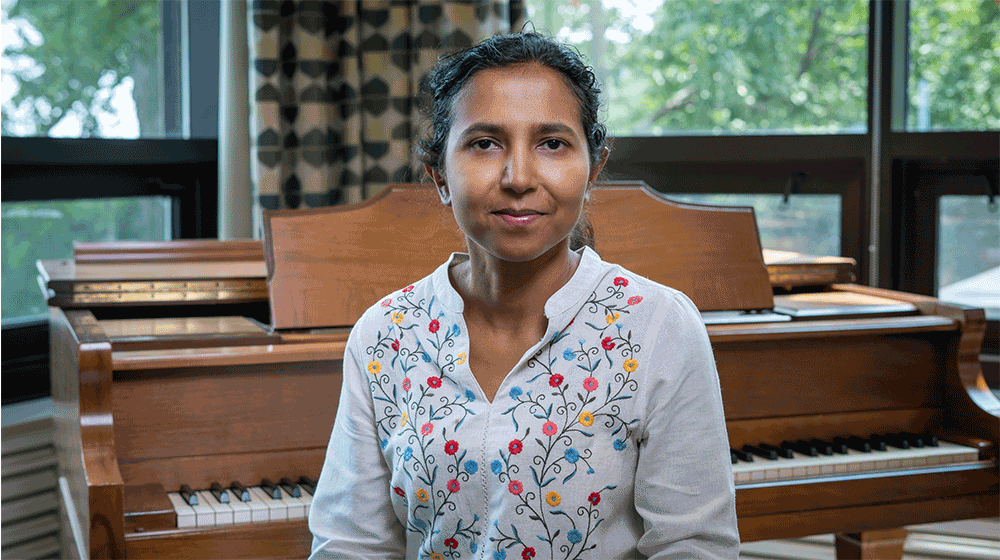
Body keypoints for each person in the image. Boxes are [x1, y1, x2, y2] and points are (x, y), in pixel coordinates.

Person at [308, 32, 739, 559]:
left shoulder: (659, 326)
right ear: (439, 175)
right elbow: (350, 546)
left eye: (552, 143)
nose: (519, 177)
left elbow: (695, 548)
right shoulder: (383, 334)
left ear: (594, 169)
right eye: (485, 143)